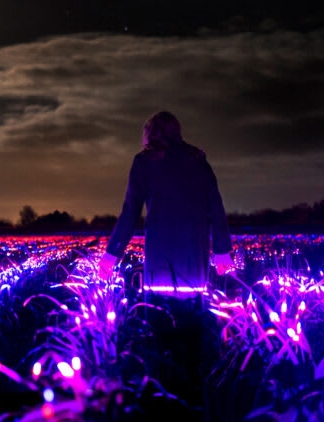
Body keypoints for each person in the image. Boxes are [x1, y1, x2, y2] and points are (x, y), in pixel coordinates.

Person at [98, 111, 234, 295]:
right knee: (193, 313)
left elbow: (130, 211)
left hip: (159, 253)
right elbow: (216, 207)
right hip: (193, 252)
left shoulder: (144, 161)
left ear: (149, 134)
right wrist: (222, 250)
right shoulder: (198, 160)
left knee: (158, 313)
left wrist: (112, 253)